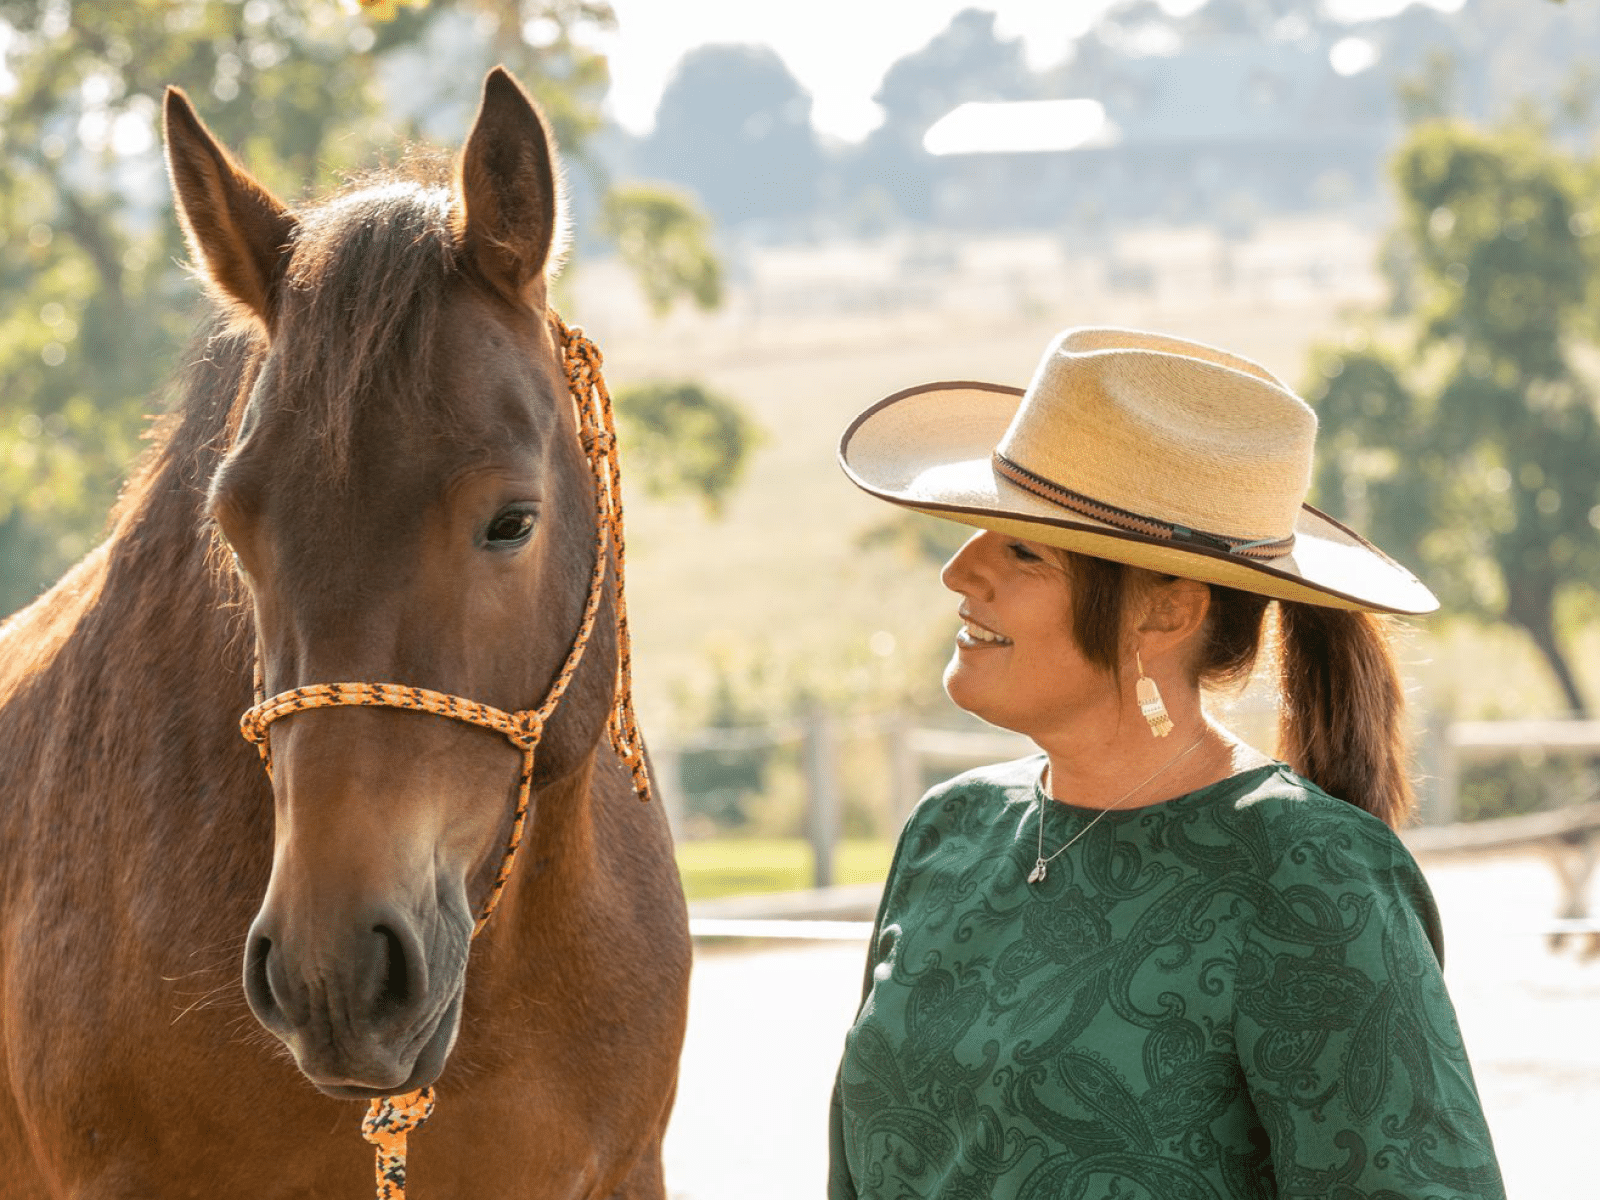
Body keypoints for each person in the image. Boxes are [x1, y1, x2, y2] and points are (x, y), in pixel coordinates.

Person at [828, 327, 1505, 1200]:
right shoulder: (948, 831)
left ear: (1167, 611)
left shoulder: (1311, 877)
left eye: (1022, 550)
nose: (960, 571)